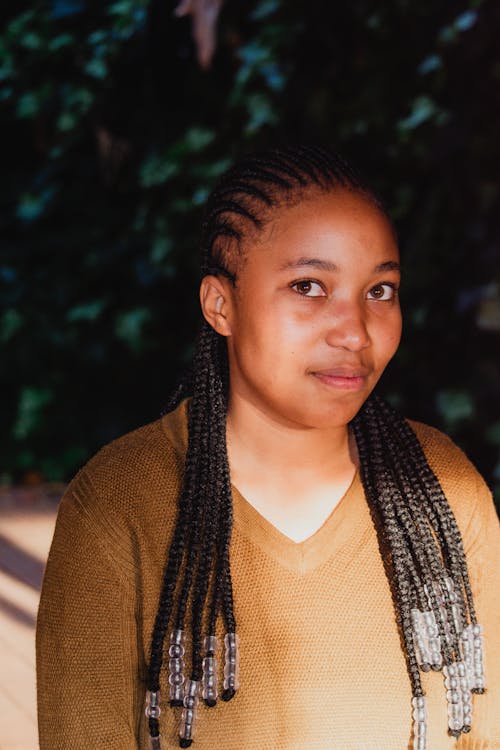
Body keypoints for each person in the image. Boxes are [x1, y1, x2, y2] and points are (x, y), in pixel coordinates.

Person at [36, 146, 499, 750]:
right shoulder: (117, 506)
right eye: (309, 286)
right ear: (220, 304)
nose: (355, 331)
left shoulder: (445, 491)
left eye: (380, 291)